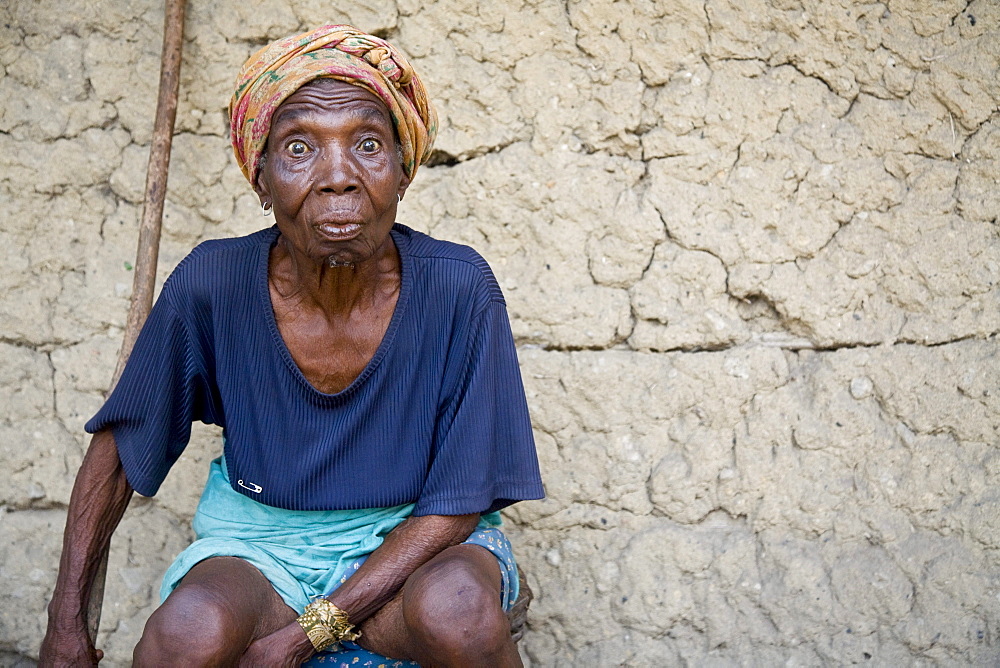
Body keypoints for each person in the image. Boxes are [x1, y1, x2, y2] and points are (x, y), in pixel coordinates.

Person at [39, 25, 544, 667]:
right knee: (184, 636)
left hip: (414, 551)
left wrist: (306, 637)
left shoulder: (458, 287)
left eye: (368, 144)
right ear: (263, 179)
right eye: (300, 148)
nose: (339, 177)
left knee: (459, 615)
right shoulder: (213, 283)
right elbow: (118, 452)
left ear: (403, 171)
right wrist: (65, 625)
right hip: (265, 552)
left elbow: (460, 502)